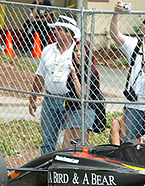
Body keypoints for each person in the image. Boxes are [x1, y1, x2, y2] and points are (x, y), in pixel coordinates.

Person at [110, 1, 145, 140]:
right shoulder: (135, 44)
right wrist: (116, 14)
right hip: (134, 103)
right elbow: (115, 35)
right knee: (132, 141)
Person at [28, 15, 80, 155]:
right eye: (55, 29)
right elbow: (40, 75)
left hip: (70, 102)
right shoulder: (48, 50)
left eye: (59, 29)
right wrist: (33, 98)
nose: (55, 32)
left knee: (69, 142)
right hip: (49, 100)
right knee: (47, 141)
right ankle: (47, 169)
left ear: (68, 32)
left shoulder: (77, 51)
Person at [62, 40, 100, 148]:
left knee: (78, 147)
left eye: (82, 51)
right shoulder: (75, 69)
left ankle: (81, 164)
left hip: (85, 110)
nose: (78, 54)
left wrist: (74, 74)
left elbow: (82, 95)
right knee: (66, 146)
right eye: (76, 50)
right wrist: (69, 113)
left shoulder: (90, 72)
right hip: (74, 110)